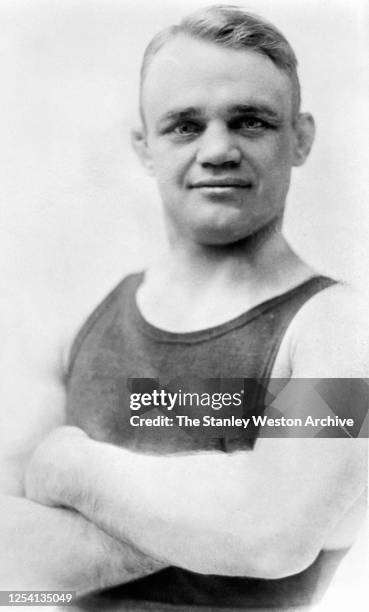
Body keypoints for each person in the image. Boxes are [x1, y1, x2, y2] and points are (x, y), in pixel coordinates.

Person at [1, 5, 367, 611]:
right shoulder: (78, 323)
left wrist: (74, 469)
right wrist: (227, 509)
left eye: (250, 121)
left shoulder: (342, 330)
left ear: (300, 138)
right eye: (185, 126)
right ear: (144, 147)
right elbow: (8, 561)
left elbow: (273, 535)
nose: (218, 150)